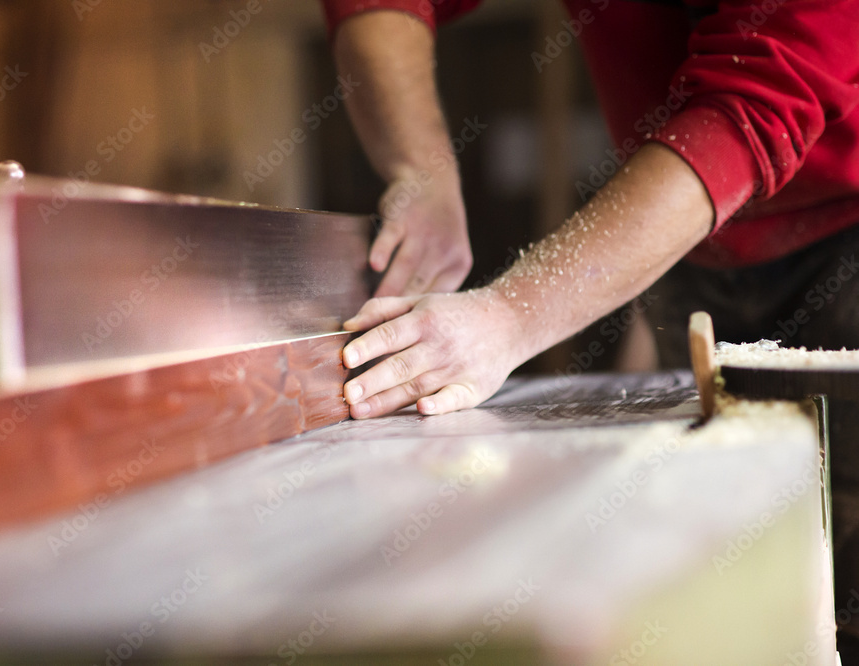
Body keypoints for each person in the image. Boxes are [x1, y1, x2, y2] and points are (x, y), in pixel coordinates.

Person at [320, 0, 859, 655]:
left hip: (841, 229)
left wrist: (510, 317)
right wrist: (419, 170)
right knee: (719, 562)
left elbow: (756, 103)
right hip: (689, 241)